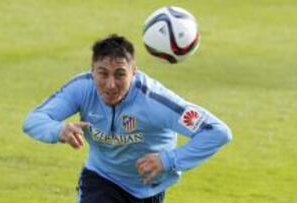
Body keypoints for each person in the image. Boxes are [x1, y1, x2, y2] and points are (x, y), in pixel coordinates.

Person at [22, 34, 232, 203]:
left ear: (134, 72)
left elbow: (217, 131)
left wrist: (168, 160)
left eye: (120, 74)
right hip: (100, 178)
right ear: (92, 71)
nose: (111, 84)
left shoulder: (156, 101)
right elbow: (34, 120)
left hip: (148, 189)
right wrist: (59, 130)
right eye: (103, 74)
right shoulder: (81, 88)